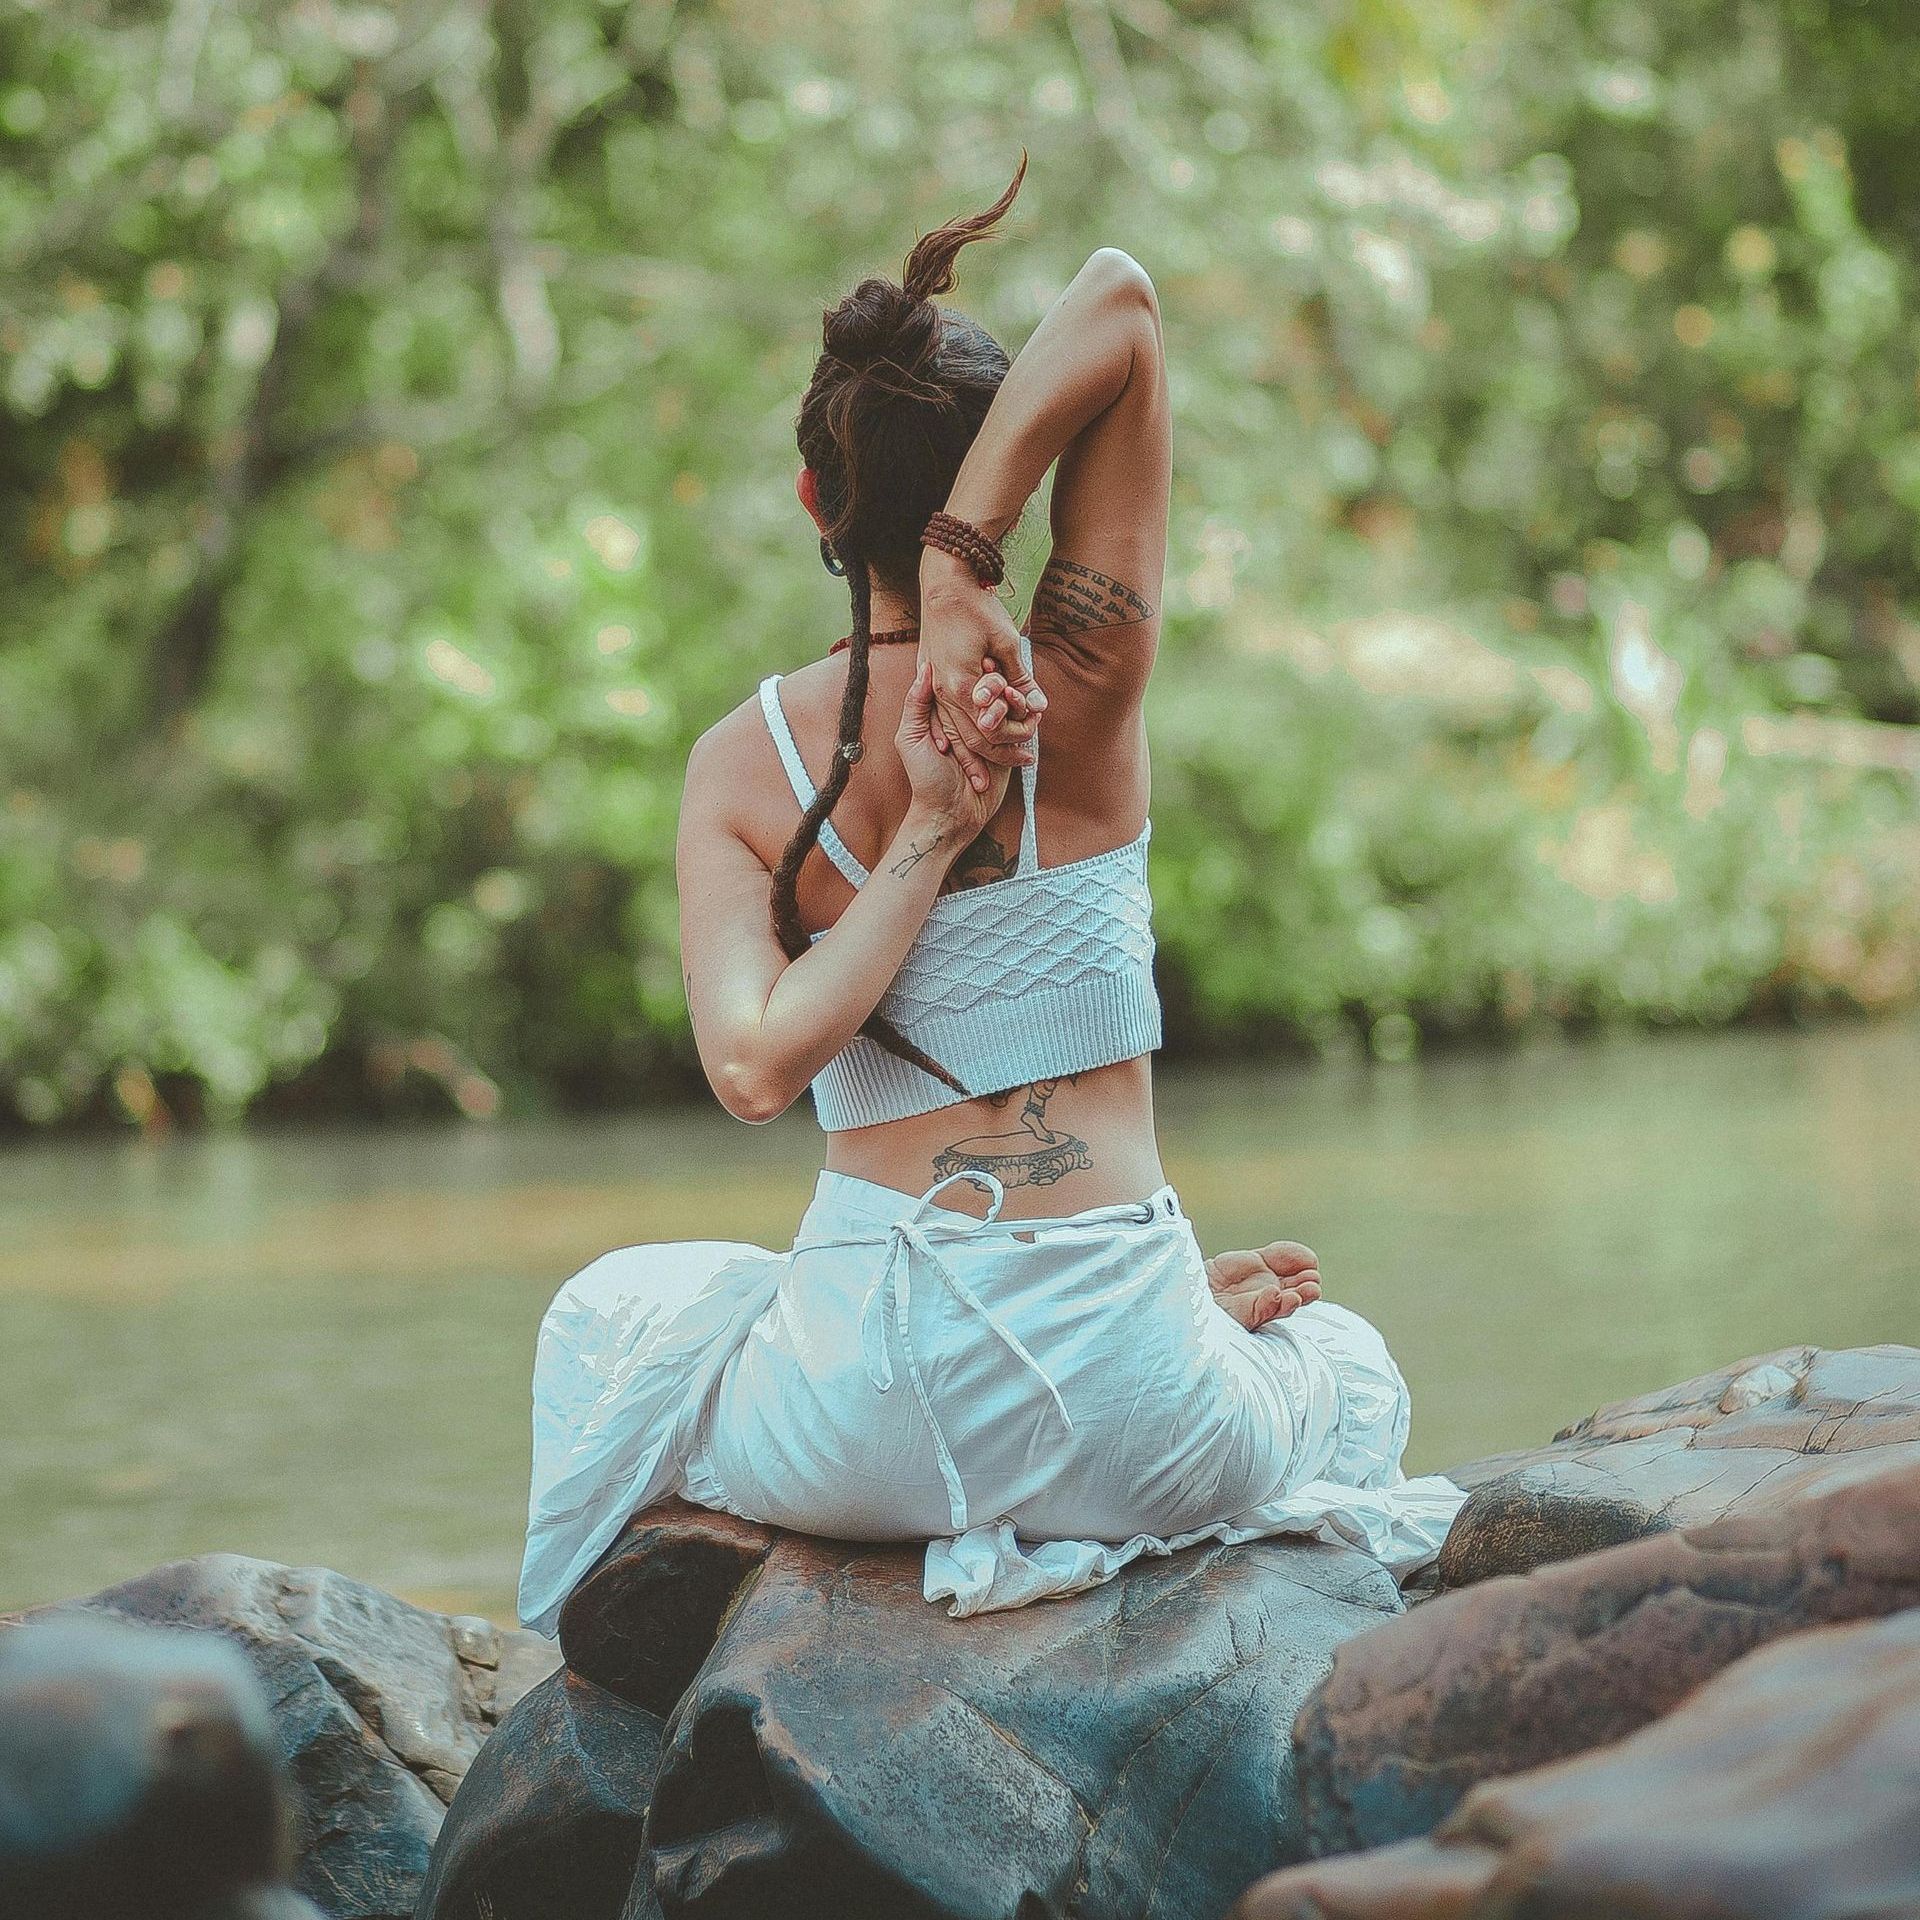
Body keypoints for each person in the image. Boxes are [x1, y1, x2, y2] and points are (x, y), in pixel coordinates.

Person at [518, 159, 1464, 1634]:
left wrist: (910, 822)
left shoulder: (741, 766)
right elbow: (1121, 303)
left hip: (867, 1414)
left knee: (615, 1317)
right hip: (1140, 1412)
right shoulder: (1076, 680)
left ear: (813, 498)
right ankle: (1169, 1333)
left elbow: (753, 1071)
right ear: (1005, 475)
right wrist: (969, 571)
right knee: (1343, 1363)